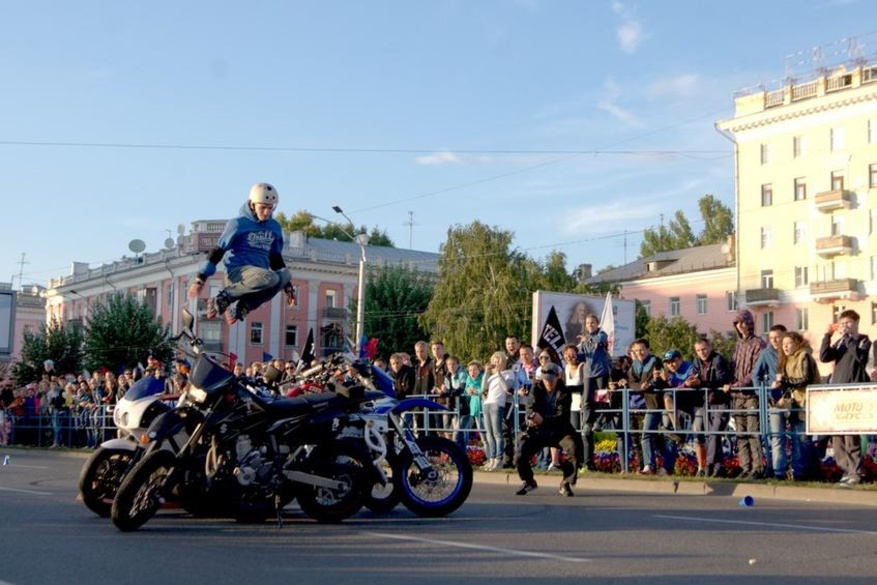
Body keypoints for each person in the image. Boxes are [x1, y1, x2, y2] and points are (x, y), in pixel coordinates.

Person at [186, 182, 295, 325]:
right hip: (237, 273)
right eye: (263, 208)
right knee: (271, 277)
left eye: (270, 208)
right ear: (252, 204)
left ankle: (243, 307)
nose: (267, 212)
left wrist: (287, 287)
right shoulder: (238, 224)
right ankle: (222, 298)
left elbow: (275, 258)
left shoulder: (274, 227)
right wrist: (200, 279)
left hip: (260, 277)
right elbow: (218, 251)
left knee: (284, 275)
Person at [819, 310, 871, 487]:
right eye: (842, 323)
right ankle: (845, 470)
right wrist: (827, 335)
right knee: (837, 436)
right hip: (837, 393)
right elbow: (824, 357)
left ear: (856, 323)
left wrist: (849, 338)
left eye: (848, 323)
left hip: (854, 393)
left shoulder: (864, 341)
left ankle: (856, 472)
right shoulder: (840, 342)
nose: (845, 326)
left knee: (851, 435)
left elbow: (860, 357)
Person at [515, 363, 582, 497]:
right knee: (520, 451)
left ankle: (566, 483)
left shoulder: (564, 392)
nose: (548, 382)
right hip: (538, 431)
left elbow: (562, 417)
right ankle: (529, 481)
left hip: (560, 430)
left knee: (574, 447)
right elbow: (530, 408)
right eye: (546, 379)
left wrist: (543, 420)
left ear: (558, 376)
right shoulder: (536, 389)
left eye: (551, 379)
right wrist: (531, 417)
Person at [773, 331, 821, 481]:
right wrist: (781, 389)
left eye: (789, 343)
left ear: (797, 343)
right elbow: (790, 385)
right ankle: (801, 471)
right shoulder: (787, 360)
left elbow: (806, 378)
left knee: (803, 438)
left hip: (807, 401)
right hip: (795, 403)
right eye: (783, 344)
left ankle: (805, 471)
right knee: (797, 438)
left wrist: (786, 381)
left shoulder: (804, 356)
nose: (785, 347)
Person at [725, 309, 767, 480]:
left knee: (752, 432)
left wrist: (736, 385)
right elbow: (732, 368)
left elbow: (755, 371)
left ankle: (758, 468)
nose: (740, 326)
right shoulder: (737, 345)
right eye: (737, 323)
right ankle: (745, 467)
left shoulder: (758, 344)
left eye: (743, 322)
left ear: (750, 323)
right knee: (740, 434)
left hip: (751, 395)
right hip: (736, 396)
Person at [686, 338, 733, 477]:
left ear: (710, 347)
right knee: (710, 435)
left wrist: (701, 383)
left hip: (720, 401)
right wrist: (691, 381)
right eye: (699, 350)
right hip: (707, 400)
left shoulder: (718, 359)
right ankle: (719, 466)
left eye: (704, 349)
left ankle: (710, 464)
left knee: (714, 434)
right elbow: (693, 375)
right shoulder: (697, 361)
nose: (702, 353)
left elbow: (721, 380)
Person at [754, 324, 789, 479]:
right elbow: (756, 376)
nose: (775, 340)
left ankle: (799, 470)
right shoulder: (766, 353)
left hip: (793, 398)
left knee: (799, 436)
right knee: (776, 435)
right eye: (772, 338)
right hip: (775, 400)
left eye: (778, 337)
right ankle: (778, 471)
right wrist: (766, 390)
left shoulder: (792, 350)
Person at [577, 314, 612, 472]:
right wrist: (573, 354)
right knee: (587, 401)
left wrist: (587, 340)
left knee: (602, 398)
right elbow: (583, 355)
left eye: (592, 323)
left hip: (601, 372)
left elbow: (600, 341)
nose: (590, 325)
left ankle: (600, 420)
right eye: (587, 323)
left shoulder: (601, 334)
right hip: (588, 373)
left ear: (597, 323)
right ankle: (588, 423)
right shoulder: (585, 339)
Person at [626, 338, 665, 474]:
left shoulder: (655, 361)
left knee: (649, 435)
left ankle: (655, 465)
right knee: (648, 435)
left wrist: (651, 384)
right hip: (642, 404)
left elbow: (660, 380)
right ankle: (650, 466)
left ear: (648, 349)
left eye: (641, 349)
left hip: (655, 403)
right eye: (636, 351)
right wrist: (640, 387)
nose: (639, 353)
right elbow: (631, 382)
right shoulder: (635, 365)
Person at [481, 351, 515, 472]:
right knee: (489, 433)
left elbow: (507, 389)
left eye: (499, 359)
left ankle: (498, 459)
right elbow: (483, 388)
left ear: (504, 361)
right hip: (487, 404)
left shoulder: (509, 374)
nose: (496, 362)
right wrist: (486, 373)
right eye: (494, 360)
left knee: (497, 433)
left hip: (497, 404)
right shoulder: (491, 376)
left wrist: (499, 374)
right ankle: (491, 458)